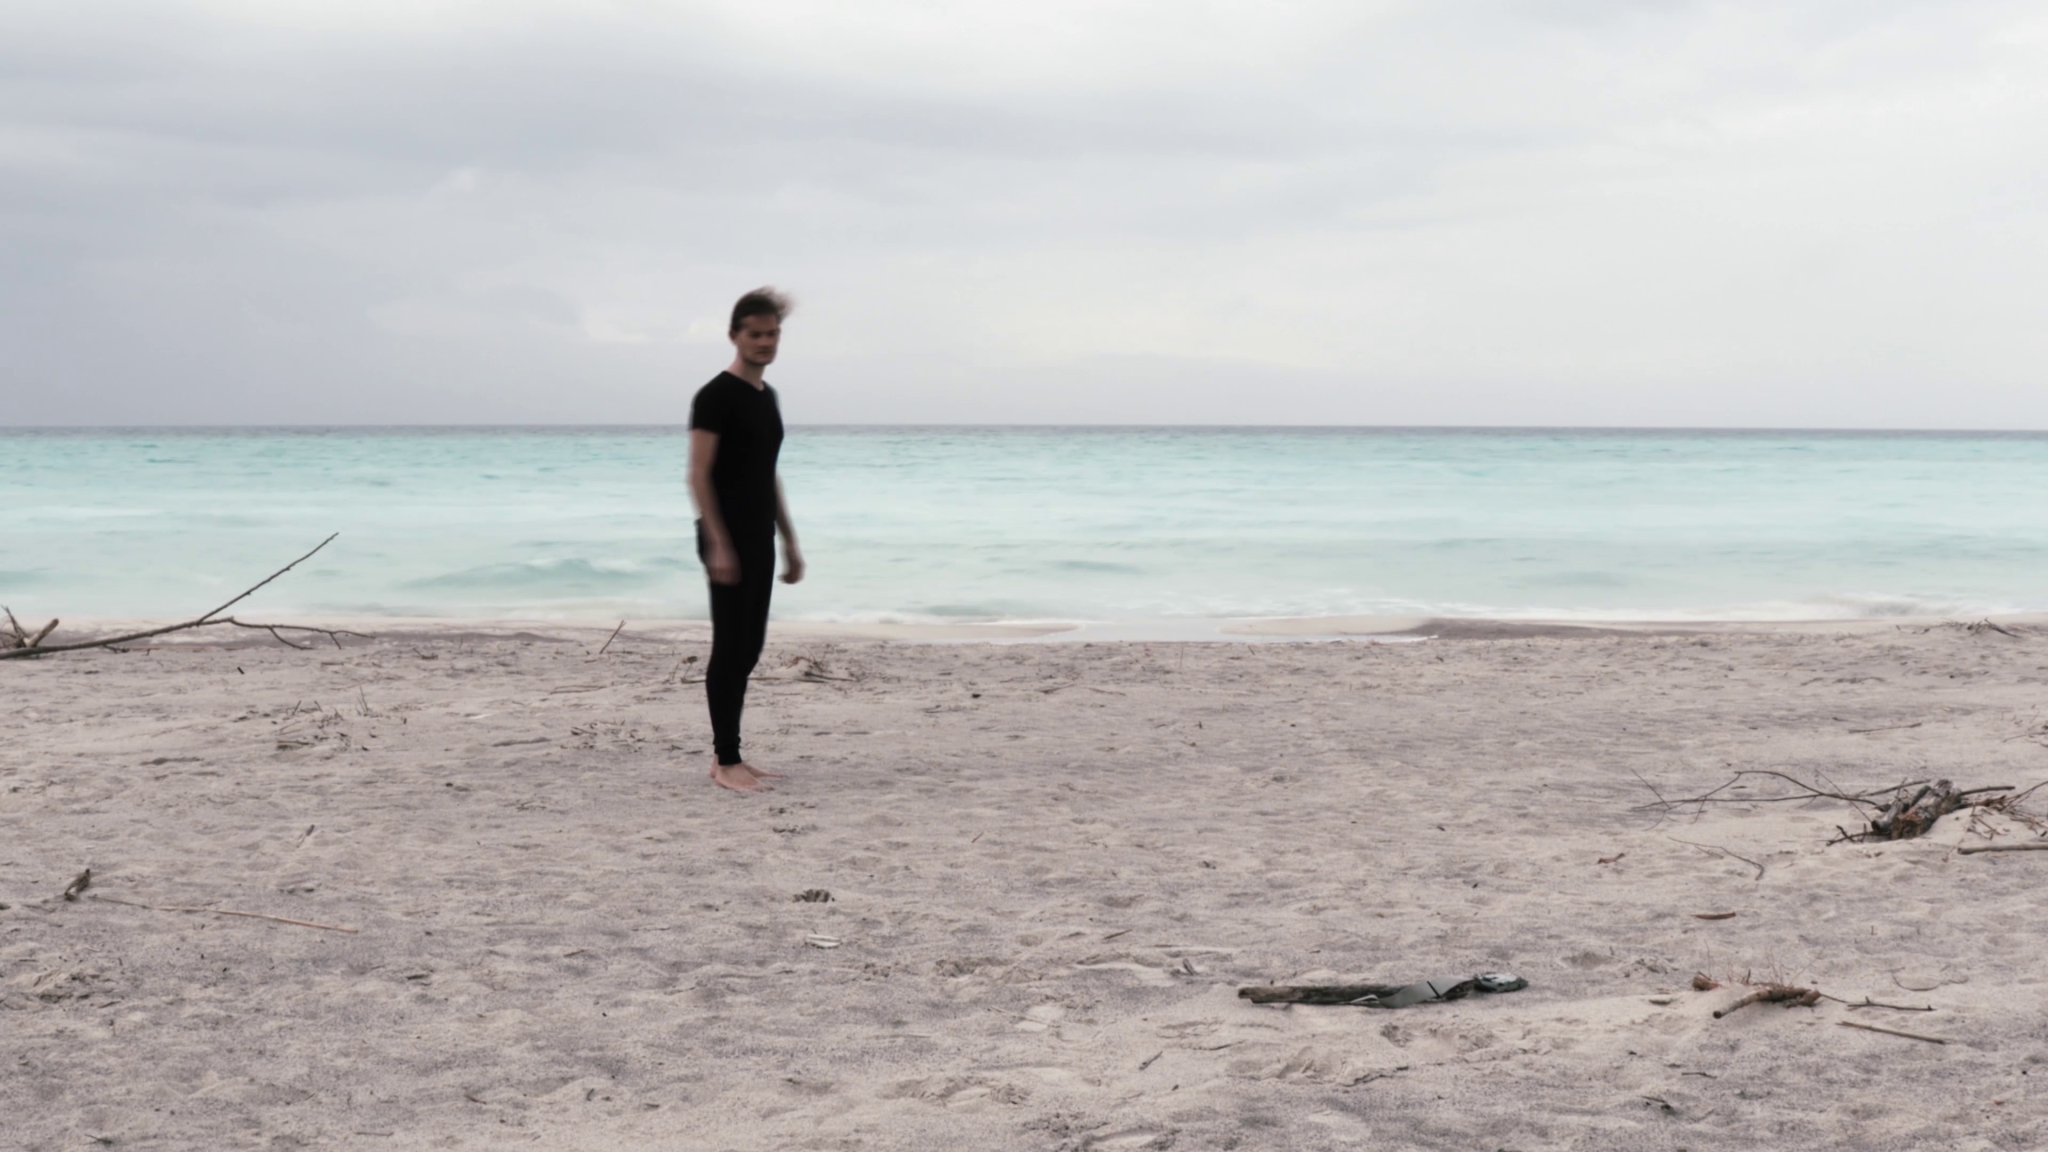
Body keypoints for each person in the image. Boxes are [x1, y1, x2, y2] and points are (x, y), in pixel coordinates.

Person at [688, 287, 805, 793]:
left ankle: (726, 755)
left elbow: (767, 473)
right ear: (734, 336)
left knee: (750, 647)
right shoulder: (715, 396)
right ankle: (727, 760)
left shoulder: (766, 397)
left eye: (772, 333)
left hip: (759, 534)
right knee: (731, 647)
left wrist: (790, 540)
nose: (765, 342)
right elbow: (698, 474)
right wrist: (718, 542)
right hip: (726, 537)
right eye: (755, 334)